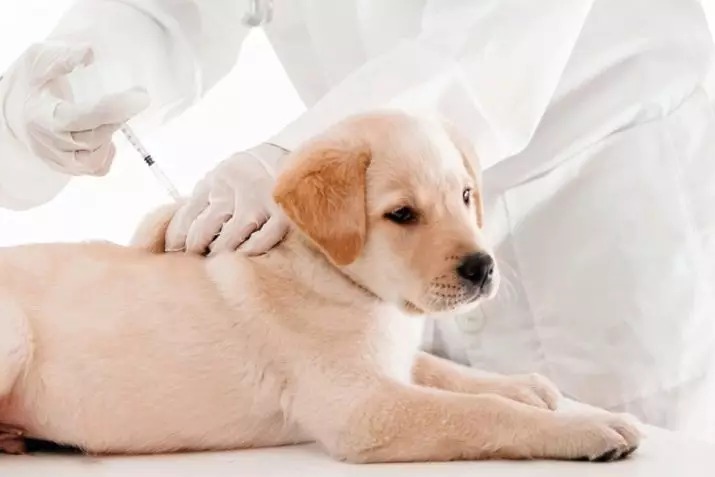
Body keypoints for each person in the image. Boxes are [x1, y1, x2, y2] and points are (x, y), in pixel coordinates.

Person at [2, 0, 715, 441]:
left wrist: (302, 159)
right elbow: (164, 10)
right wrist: (63, 96)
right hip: (390, 237)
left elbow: (500, 43)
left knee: (616, 444)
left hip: (593, 177)